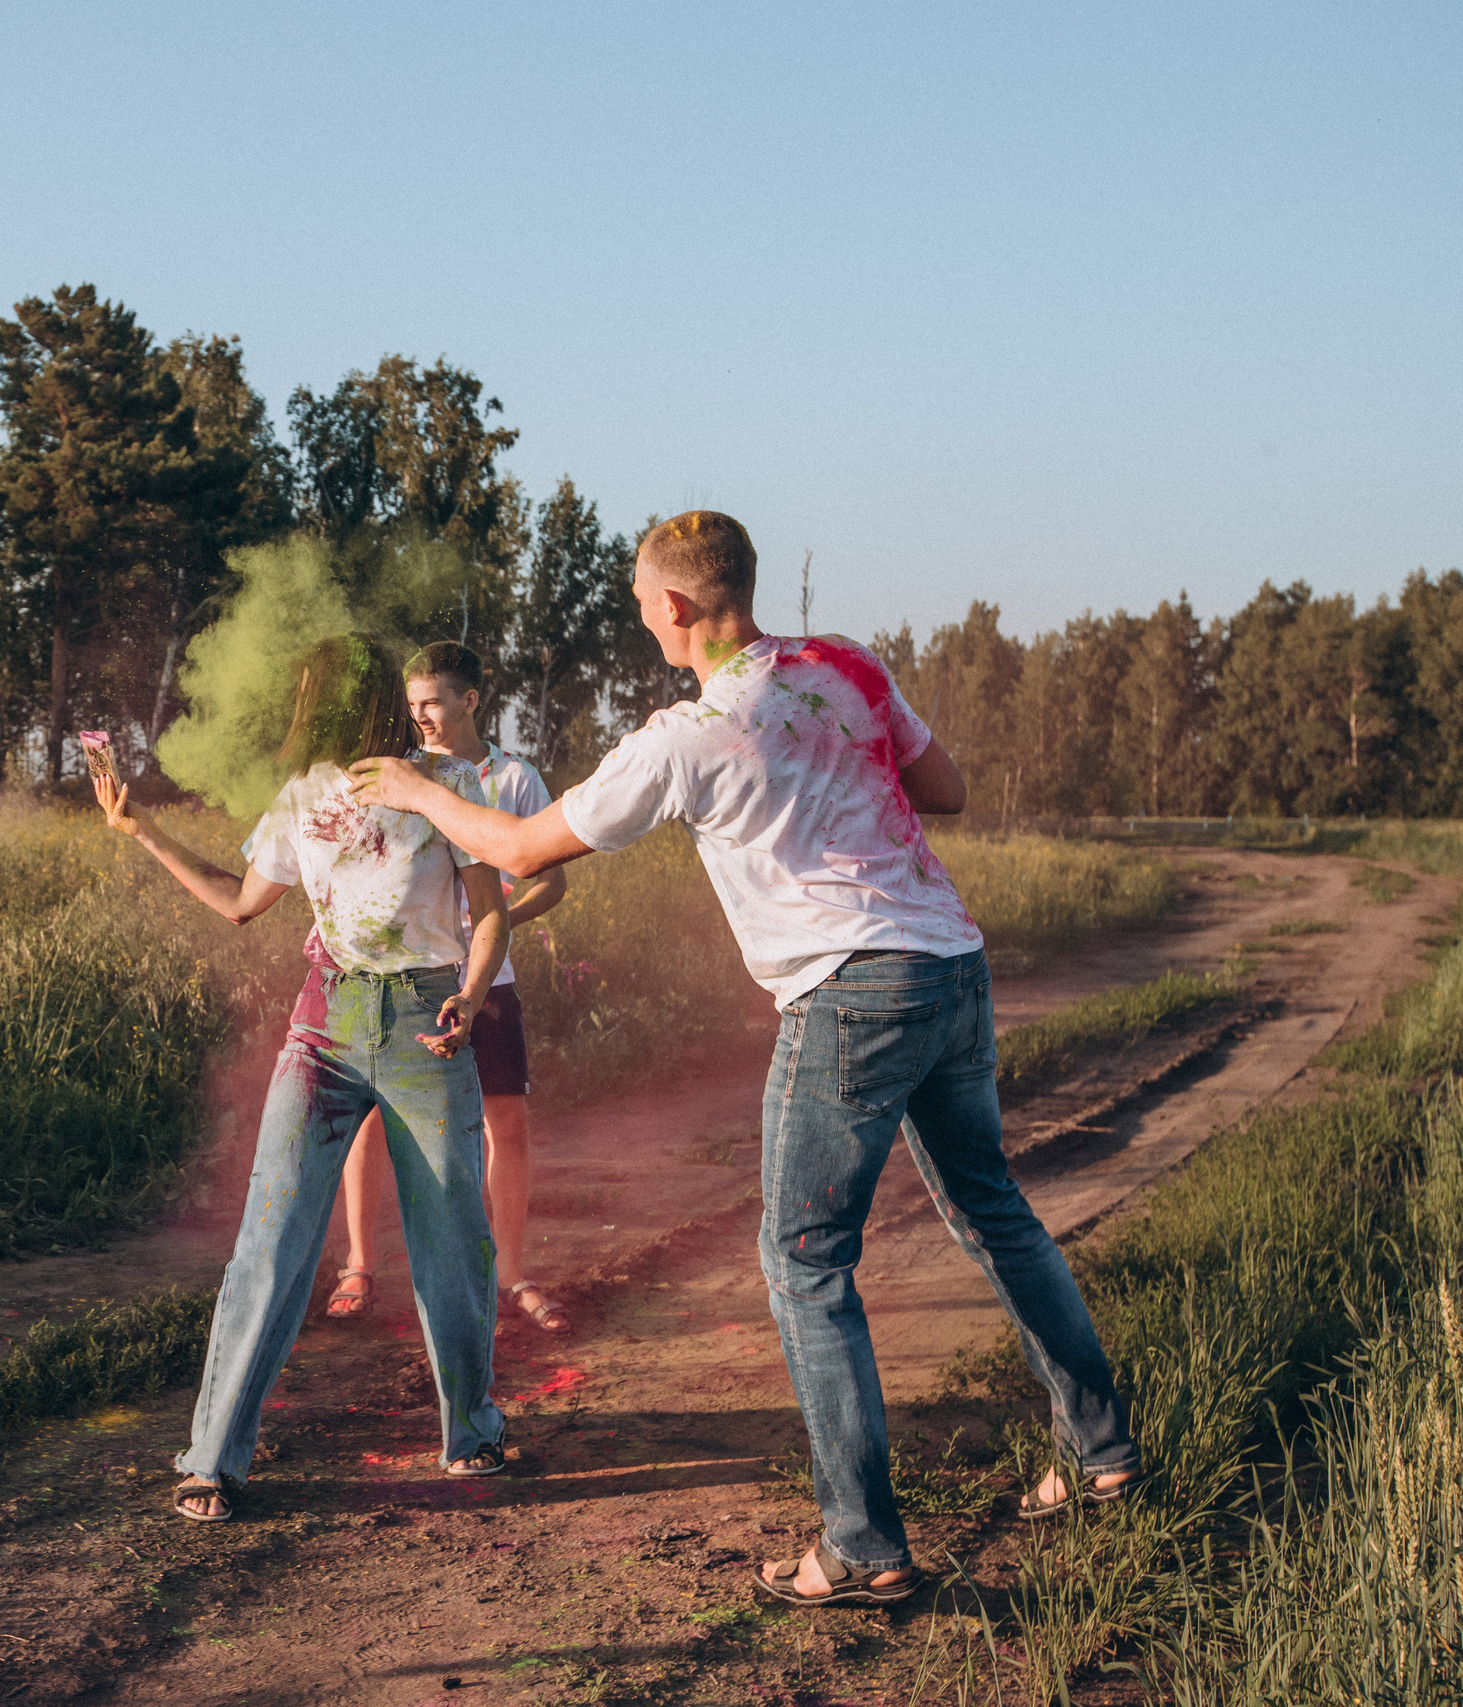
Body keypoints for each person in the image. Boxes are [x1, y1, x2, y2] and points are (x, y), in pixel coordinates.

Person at [350, 512, 1138, 1607]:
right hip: (950, 966)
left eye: (637, 602)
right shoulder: (844, 666)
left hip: (848, 994)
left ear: (674, 607)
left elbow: (523, 849)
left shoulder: (687, 736)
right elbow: (943, 790)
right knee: (991, 1207)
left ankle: (861, 1546)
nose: (638, 617)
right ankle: (1104, 1454)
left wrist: (418, 791)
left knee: (806, 1262)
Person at [94, 631, 513, 1521]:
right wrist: (141, 831)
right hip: (324, 1022)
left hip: (424, 1023)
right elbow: (241, 904)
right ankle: (212, 1458)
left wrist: (473, 998)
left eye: (308, 692)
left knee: (451, 1236)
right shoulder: (301, 797)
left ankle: (472, 1432)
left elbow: (490, 918)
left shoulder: (446, 787)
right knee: (272, 1236)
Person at [328, 641, 571, 1334]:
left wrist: (491, 923)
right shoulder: (393, 775)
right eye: (412, 705)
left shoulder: (513, 778)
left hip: (490, 980)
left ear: (471, 698)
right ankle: (359, 1263)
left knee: (507, 1122)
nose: (420, 717)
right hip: (405, 980)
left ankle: (512, 1272)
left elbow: (551, 878)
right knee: (373, 1117)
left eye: (432, 701)